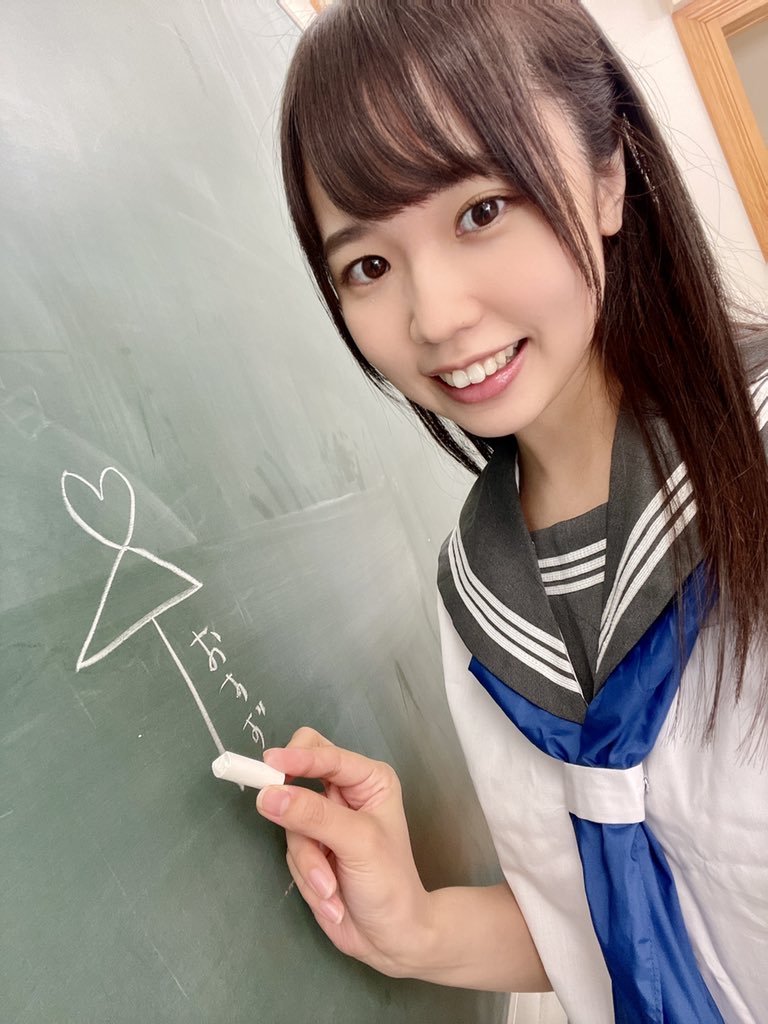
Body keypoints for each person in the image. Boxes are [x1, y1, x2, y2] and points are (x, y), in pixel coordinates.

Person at [255, 2, 768, 1021]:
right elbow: (615, 925)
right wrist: (415, 926)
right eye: (368, 265)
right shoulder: (478, 600)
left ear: (609, 172)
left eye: (481, 211)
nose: (435, 316)